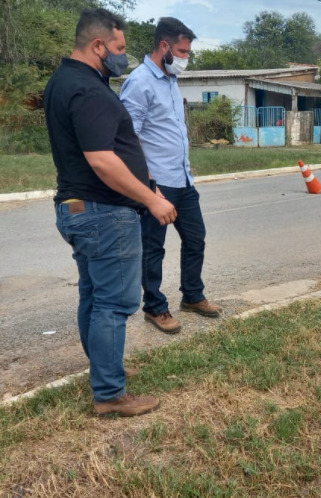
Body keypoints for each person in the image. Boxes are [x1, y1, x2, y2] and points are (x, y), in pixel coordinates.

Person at [44, 8, 177, 416]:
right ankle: (110, 394)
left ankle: (105, 368)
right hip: (104, 213)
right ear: (98, 45)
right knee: (114, 304)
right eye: (119, 48)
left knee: (94, 295)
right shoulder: (87, 89)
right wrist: (152, 199)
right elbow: (102, 160)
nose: (123, 56)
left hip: (79, 209)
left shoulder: (63, 82)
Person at [120, 17, 222, 335]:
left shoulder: (170, 80)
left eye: (188, 52)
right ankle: (155, 308)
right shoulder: (139, 82)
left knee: (195, 239)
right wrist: (149, 185)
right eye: (182, 51)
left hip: (183, 180)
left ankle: (192, 296)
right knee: (153, 249)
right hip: (157, 183)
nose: (185, 58)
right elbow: (127, 138)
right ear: (164, 46)